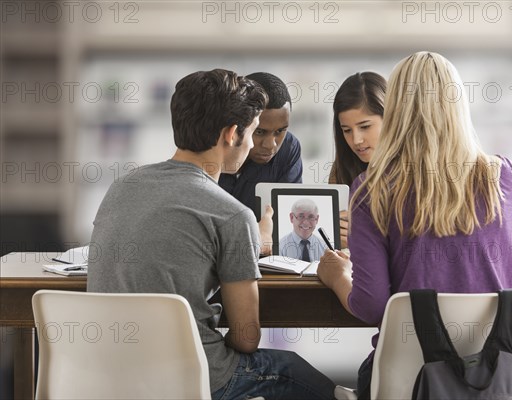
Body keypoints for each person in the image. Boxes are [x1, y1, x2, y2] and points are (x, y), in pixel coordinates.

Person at [317, 52, 512, 399]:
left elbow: (373, 305)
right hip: (498, 379)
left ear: (394, 111)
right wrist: (485, 262)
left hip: (409, 382)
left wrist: (337, 277)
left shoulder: (371, 189)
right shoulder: (506, 176)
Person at [88, 69, 335, 400]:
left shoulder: (120, 187)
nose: (256, 145)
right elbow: (246, 338)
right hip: (193, 377)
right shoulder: (232, 214)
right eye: (252, 133)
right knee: (296, 374)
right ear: (232, 134)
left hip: (107, 376)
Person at [219, 72, 302, 215]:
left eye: (280, 131)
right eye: (259, 132)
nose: (270, 145)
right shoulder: (213, 146)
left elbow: (288, 219)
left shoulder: (289, 147)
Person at [328, 72, 386, 248]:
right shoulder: (342, 168)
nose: (356, 140)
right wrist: (337, 237)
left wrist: (362, 237)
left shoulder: (413, 168)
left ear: (391, 118)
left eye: (365, 126)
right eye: (346, 130)